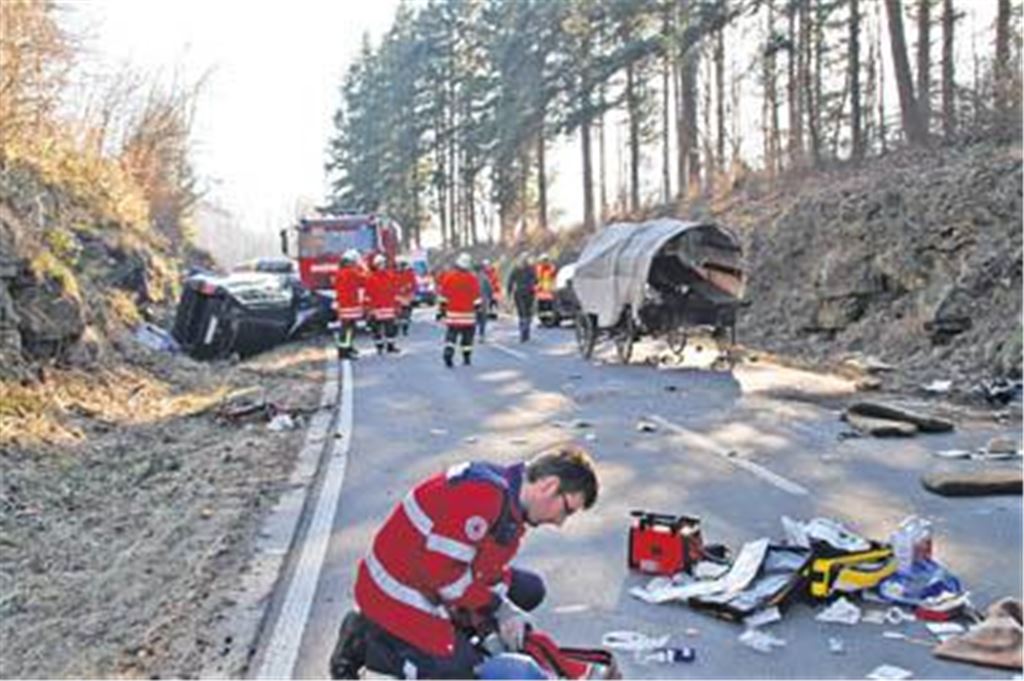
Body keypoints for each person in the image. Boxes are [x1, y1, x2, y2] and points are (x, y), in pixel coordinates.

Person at [329, 443, 600, 679]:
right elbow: (445, 579)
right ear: (549, 486)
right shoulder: (481, 496)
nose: (560, 522)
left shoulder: (510, 501)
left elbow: (484, 569)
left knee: (529, 589)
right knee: (457, 670)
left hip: (430, 579)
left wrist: (495, 617)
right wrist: (497, 609)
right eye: (566, 510)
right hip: (395, 594)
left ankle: (461, 634)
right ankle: (364, 640)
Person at [437, 252, 481, 367]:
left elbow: (443, 297)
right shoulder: (472, 279)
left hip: (452, 314)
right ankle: (466, 358)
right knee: (467, 338)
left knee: (451, 335)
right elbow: (477, 298)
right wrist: (478, 310)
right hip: (468, 315)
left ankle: (448, 353)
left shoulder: (449, 277)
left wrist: (441, 311)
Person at [333, 249, 365, 360]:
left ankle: (346, 348)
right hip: (350, 305)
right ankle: (345, 351)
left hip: (343, 305)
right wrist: (363, 267)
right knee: (349, 329)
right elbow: (365, 279)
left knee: (346, 328)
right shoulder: (351, 272)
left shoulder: (339, 273)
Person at [364, 253, 400, 355]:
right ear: (376, 265)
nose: (382, 266)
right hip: (377, 308)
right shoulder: (371, 278)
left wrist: (396, 305)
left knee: (391, 328)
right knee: (376, 329)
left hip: (388, 307)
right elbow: (368, 294)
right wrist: (368, 308)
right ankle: (379, 347)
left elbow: (394, 292)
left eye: (383, 263)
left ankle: (390, 346)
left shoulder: (389, 276)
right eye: (380, 264)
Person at [506, 254, 536, 343]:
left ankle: (524, 332)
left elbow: (510, 281)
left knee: (522, 313)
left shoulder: (516, 269)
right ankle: (525, 332)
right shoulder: (530, 269)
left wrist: (509, 293)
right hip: (528, 292)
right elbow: (536, 280)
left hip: (520, 293)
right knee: (527, 313)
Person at [394, 257, 417, 337]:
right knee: (397, 315)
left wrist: (407, 287)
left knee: (406, 315)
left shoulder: (409, 273)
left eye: (400, 265)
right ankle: (396, 329)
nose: (399, 267)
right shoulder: (395, 273)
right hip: (397, 297)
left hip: (406, 296)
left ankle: (404, 329)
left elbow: (413, 284)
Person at [534, 253, 557, 327]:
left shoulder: (551, 269)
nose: (544, 262)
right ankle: (543, 321)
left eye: (545, 260)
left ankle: (549, 322)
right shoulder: (538, 269)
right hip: (541, 292)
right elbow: (536, 279)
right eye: (543, 261)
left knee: (549, 308)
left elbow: (554, 278)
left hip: (548, 292)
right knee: (541, 309)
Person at [475, 262, 494, 343]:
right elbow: (490, 289)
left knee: (474, 318)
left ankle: (471, 334)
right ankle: (481, 335)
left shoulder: (472, 277)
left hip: (473, 301)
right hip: (483, 301)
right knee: (483, 319)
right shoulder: (485, 278)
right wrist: (490, 298)